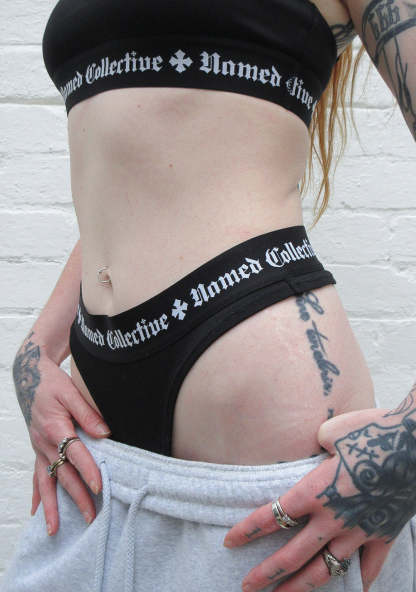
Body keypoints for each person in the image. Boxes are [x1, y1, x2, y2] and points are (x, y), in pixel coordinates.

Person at [3, 0, 416, 591]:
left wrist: (411, 443)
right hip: (96, 444)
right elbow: (139, 181)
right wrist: (37, 350)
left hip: (261, 431)